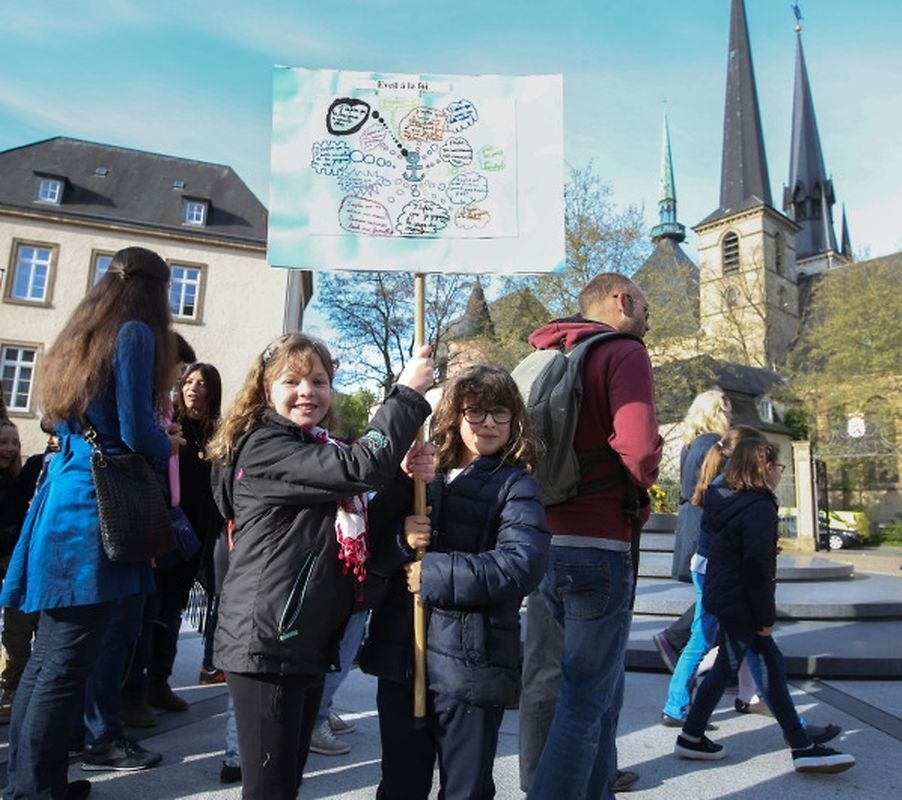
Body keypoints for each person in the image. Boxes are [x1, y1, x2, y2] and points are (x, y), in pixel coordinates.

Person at [208, 333, 434, 800]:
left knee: (287, 782)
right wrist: (407, 395)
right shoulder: (266, 447)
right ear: (265, 390)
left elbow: (357, 501)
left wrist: (403, 477)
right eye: (291, 380)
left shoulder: (316, 446)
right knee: (270, 788)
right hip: (269, 641)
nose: (307, 390)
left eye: (319, 379)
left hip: (302, 639)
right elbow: (358, 468)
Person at [0, 247, 182, 800]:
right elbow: (133, 429)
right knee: (65, 662)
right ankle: (36, 791)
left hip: (65, 498)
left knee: (46, 660)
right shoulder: (135, 334)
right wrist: (167, 442)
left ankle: (31, 783)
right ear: (156, 290)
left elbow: (54, 419)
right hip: (96, 511)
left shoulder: (79, 334)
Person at [360, 364, 548, 799]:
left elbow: (522, 564)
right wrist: (402, 538)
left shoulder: (515, 486)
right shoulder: (426, 475)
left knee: (466, 790)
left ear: (515, 421)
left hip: (470, 668)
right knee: (400, 785)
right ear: (454, 417)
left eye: (500, 413)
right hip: (404, 659)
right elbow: (368, 548)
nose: (487, 423)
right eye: (475, 411)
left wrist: (434, 572)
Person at [519, 272, 663, 800]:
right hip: (600, 544)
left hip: (540, 541)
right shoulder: (624, 352)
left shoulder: (542, 355)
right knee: (587, 696)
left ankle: (582, 784)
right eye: (647, 308)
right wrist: (647, 472)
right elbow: (639, 450)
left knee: (545, 680)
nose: (650, 320)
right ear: (623, 300)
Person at [675, 438, 855, 774]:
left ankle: (693, 734)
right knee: (763, 666)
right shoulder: (758, 508)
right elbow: (757, 568)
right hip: (743, 601)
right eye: (778, 467)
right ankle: (800, 746)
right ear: (765, 468)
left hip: (725, 595)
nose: (780, 473)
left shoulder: (723, 499)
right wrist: (765, 616)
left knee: (736, 666)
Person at [0, 420, 58, 724]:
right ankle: (11, 687)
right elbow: (13, 511)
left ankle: (28, 692)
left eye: (14, 443)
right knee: (17, 630)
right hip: (22, 561)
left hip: (51, 564)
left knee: (44, 633)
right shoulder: (36, 465)